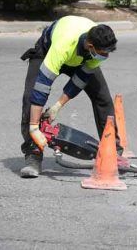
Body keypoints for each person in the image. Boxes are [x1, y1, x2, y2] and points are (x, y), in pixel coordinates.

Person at [19, 16, 118, 178]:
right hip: (46, 52)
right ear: (91, 46)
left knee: (103, 98)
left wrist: (57, 106)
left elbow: (79, 81)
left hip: (79, 59)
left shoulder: (98, 47)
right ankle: (33, 154)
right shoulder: (63, 46)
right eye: (102, 53)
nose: (104, 57)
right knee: (30, 98)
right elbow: (42, 86)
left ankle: (112, 150)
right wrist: (34, 126)